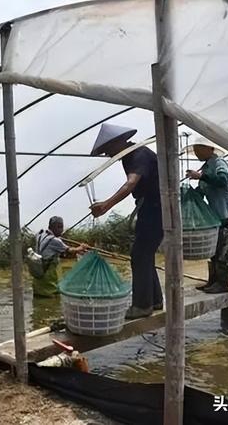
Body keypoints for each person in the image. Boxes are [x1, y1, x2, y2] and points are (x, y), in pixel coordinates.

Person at [89, 123, 163, 320]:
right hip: (151, 208)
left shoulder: (139, 155)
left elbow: (131, 184)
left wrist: (106, 205)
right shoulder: (129, 157)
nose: (108, 155)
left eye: (108, 150)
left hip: (156, 210)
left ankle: (142, 305)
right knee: (145, 255)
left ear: (118, 142)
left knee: (139, 255)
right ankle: (154, 300)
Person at [185, 137, 228, 294]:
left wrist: (201, 177)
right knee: (215, 250)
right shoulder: (206, 167)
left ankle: (223, 284)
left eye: (198, 149)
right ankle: (213, 282)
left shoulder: (219, 163)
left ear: (210, 149)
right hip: (216, 216)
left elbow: (222, 180)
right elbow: (203, 191)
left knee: (225, 249)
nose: (196, 153)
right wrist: (190, 193)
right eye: (195, 150)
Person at [32, 216, 87, 297]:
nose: (62, 230)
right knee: (52, 300)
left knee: (39, 300)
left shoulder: (40, 234)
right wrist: (81, 247)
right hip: (48, 276)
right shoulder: (55, 240)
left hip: (38, 272)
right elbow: (70, 250)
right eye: (61, 227)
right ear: (56, 227)